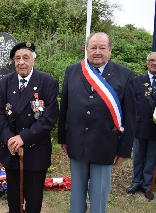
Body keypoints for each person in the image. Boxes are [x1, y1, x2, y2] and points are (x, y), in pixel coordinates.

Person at [58, 32, 136, 213]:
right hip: (76, 142)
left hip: (105, 144)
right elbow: (65, 107)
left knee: (99, 194)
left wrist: (125, 149)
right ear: (87, 49)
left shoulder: (125, 74)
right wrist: (63, 137)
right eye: (93, 47)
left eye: (102, 48)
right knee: (76, 194)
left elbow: (131, 116)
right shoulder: (72, 70)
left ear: (110, 50)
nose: (97, 52)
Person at [0, 42, 59, 213]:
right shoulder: (5, 83)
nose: (21, 62)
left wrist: (24, 138)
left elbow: (49, 118)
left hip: (36, 149)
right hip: (12, 149)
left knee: (34, 200)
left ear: (33, 60)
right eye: (17, 58)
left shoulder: (48, 82)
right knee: (14, 199)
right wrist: (9, 139)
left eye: (25, 58)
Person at [126, 52, 156, 199]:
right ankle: (136, 182)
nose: (154, 63)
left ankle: (147, 184)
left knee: (152, 156)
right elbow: (130, 104)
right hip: (140, 125)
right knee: (138, 155)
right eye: (151, 60)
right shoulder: (137, 81)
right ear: (147, 63)